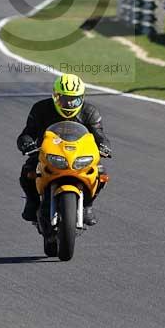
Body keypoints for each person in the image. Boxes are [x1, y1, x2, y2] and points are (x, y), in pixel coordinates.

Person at [17, 73, 111, 226]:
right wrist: (27, 144)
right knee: (28, 170)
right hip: (46, 153)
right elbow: (27, 133)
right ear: (55, 96)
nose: (70, 104)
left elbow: (99, 135)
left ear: (82, 97)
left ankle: (87, 205)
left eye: (75, 100)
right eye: (65, 99)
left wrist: (104, 146)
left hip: (79, 155)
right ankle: (32, 202)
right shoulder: (41, 109)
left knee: (101, 173)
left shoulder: (90, 112)